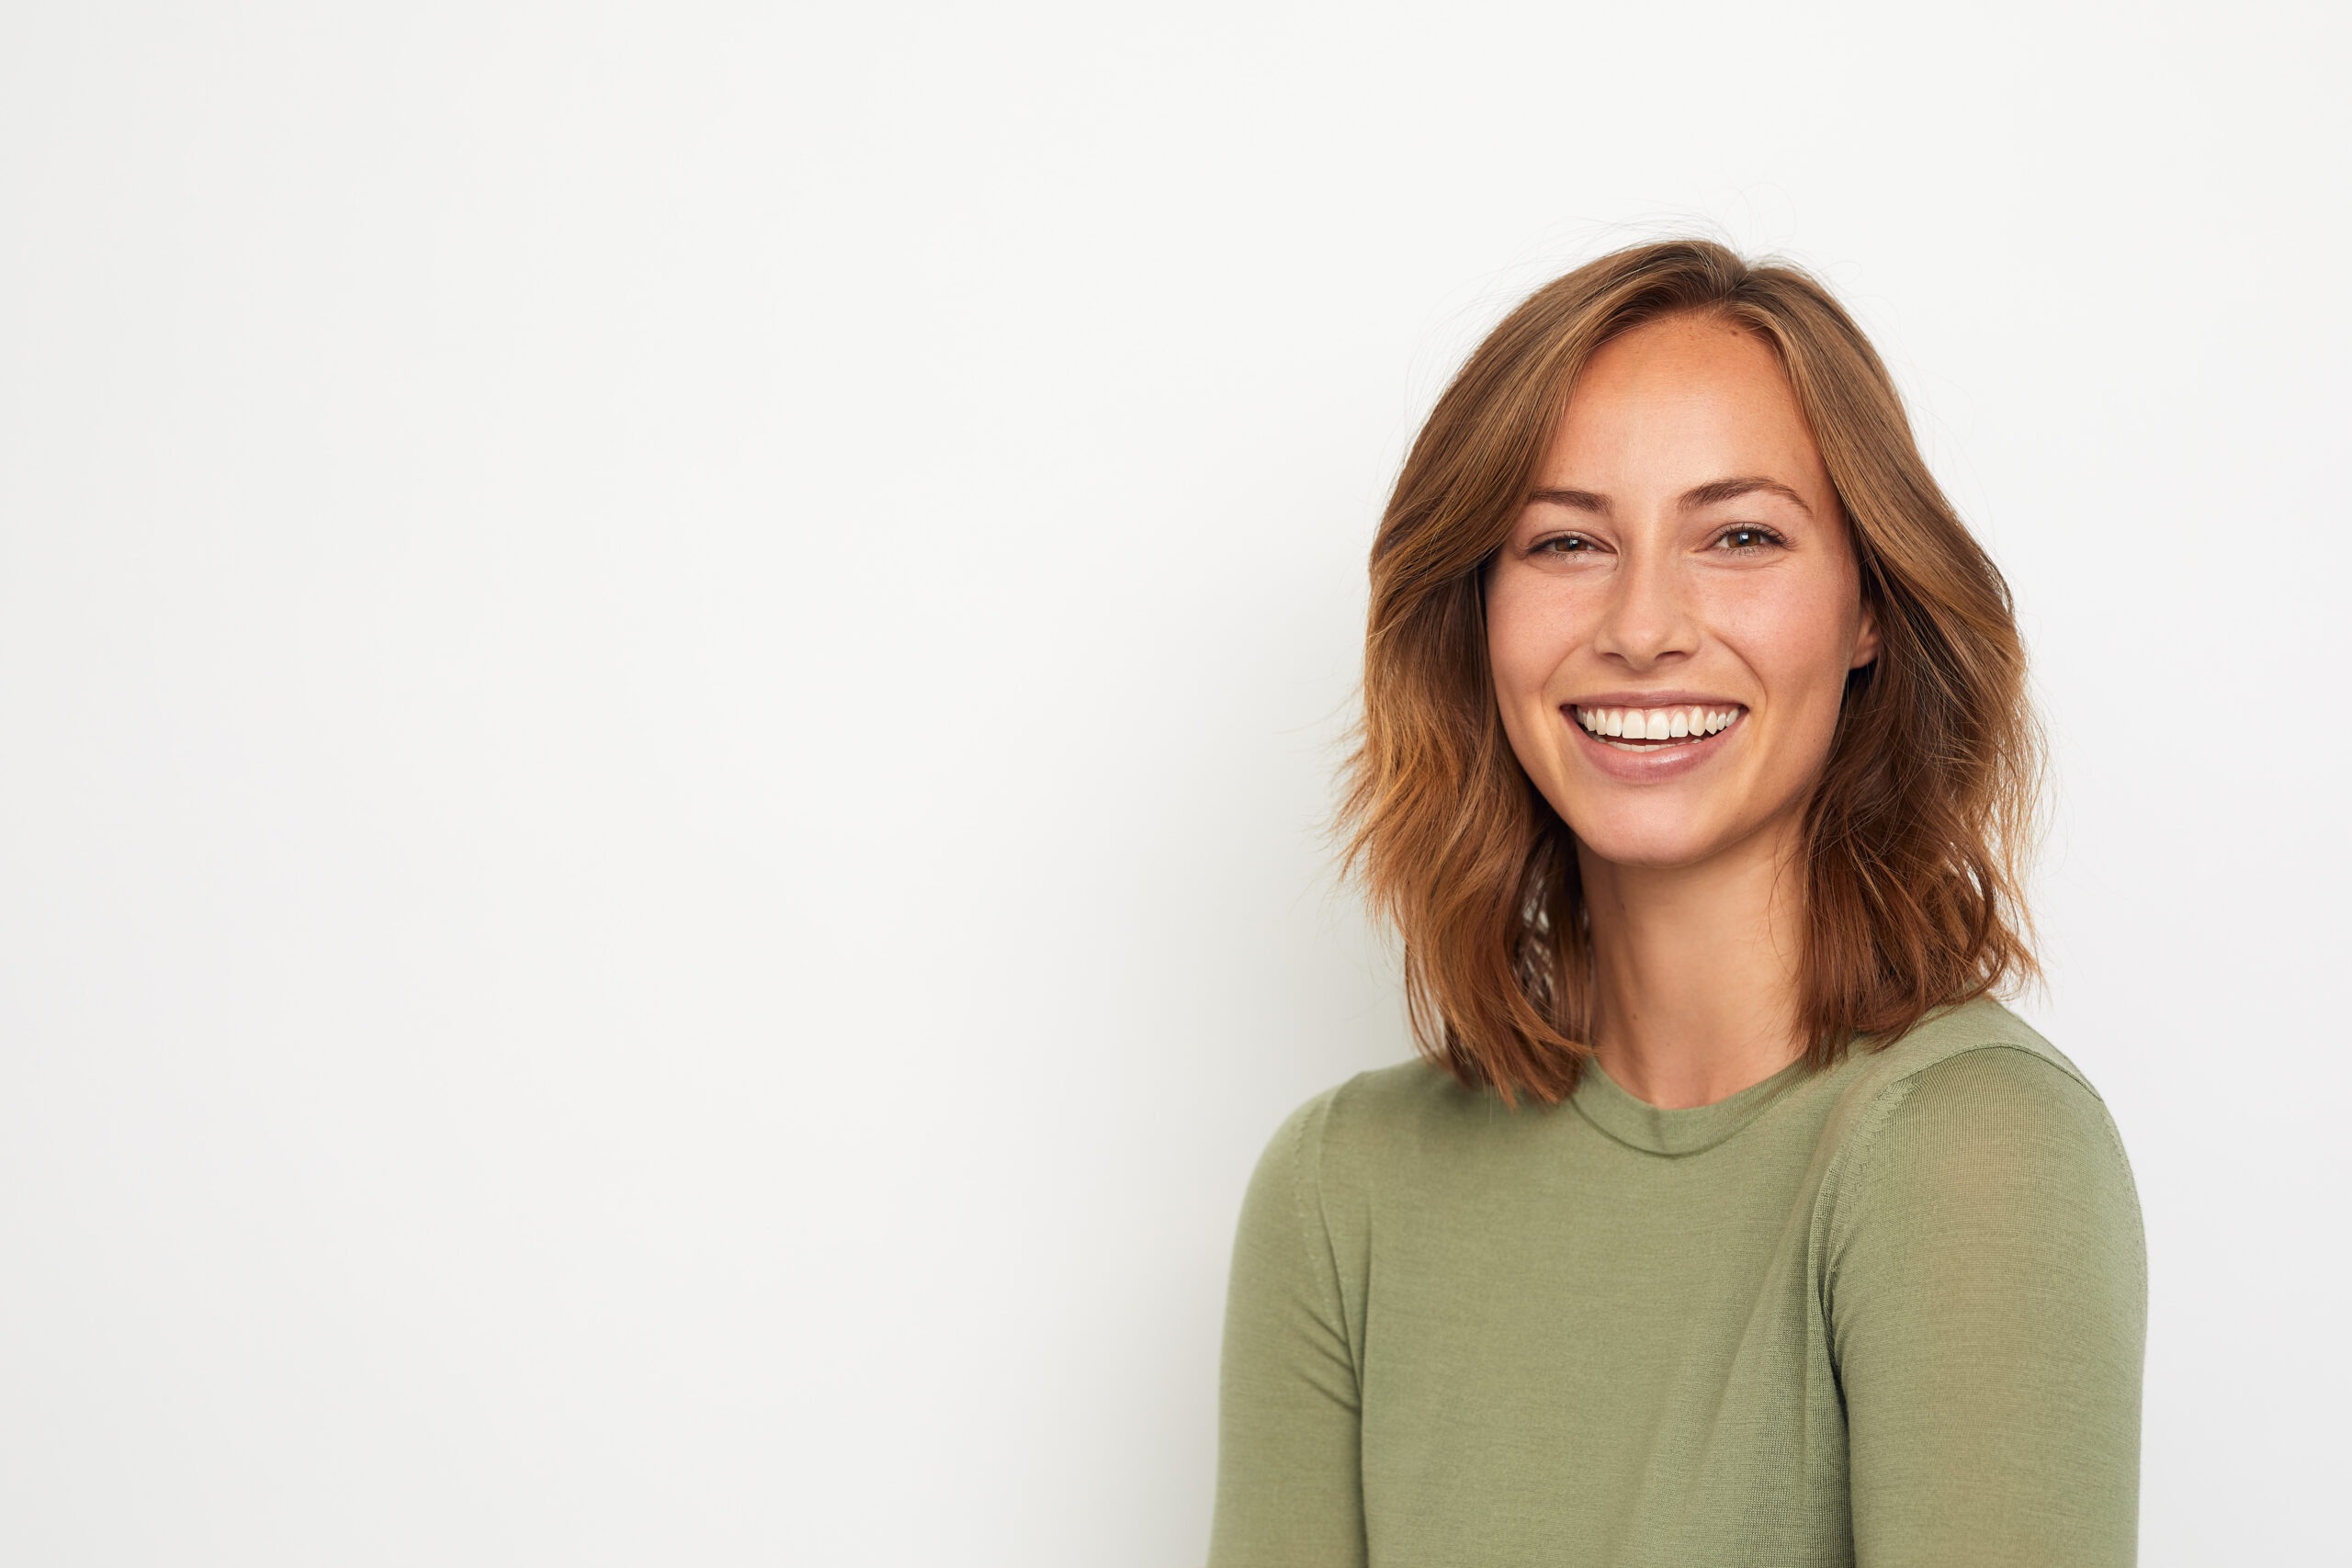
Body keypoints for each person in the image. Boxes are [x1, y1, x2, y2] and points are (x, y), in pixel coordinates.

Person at [1205, 241, 2148, 1566]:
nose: (1643, 627)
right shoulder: (1338, 1189)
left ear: (1868, 608)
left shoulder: (1969, 1145)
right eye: (1566, 542)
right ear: (1477, 615)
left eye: (1741, 536)